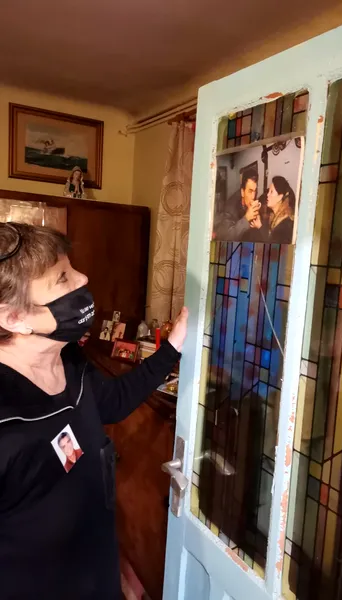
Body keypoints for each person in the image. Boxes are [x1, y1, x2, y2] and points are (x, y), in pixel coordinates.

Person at [0, 222, 188, 599]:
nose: (83, 278)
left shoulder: (69, 360)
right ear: (14, 318)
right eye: (63, 278)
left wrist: (172, 348)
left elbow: (112, 401)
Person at [213, 170, 261, 241]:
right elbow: (228, 237)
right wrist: (246, 218)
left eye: (255, 191)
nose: (253, 196)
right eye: (250, 191)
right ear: (242, 192)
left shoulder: (250, 200)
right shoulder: (230, 208)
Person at [251, 176, 295, 244]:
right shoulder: (274, 218)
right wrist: (260, 225)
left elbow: (272, 246)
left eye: (271, 192)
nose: (267, 195)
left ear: (280, 197)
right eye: (268, 191)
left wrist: (260, 227)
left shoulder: (285, 225)